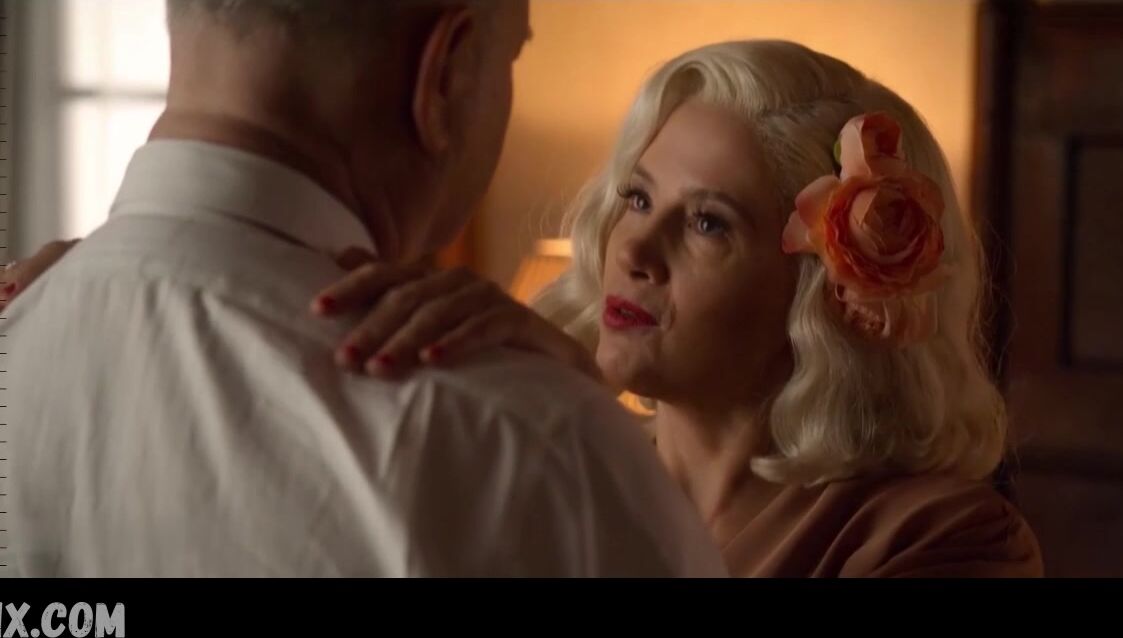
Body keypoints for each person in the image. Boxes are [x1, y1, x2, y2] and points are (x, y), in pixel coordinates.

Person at [7, 39, 1044, 577]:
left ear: (821, 287)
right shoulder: (540, 458)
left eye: (707, 222)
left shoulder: (942, 536)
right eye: (635, 198)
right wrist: (134, 285)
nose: (632, 248)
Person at [0, 0, 726, 577]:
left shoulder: (21, 330)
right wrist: (589, 446)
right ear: (449, 74)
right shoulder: (528, 451)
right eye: (514, 55)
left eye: (707, 221)